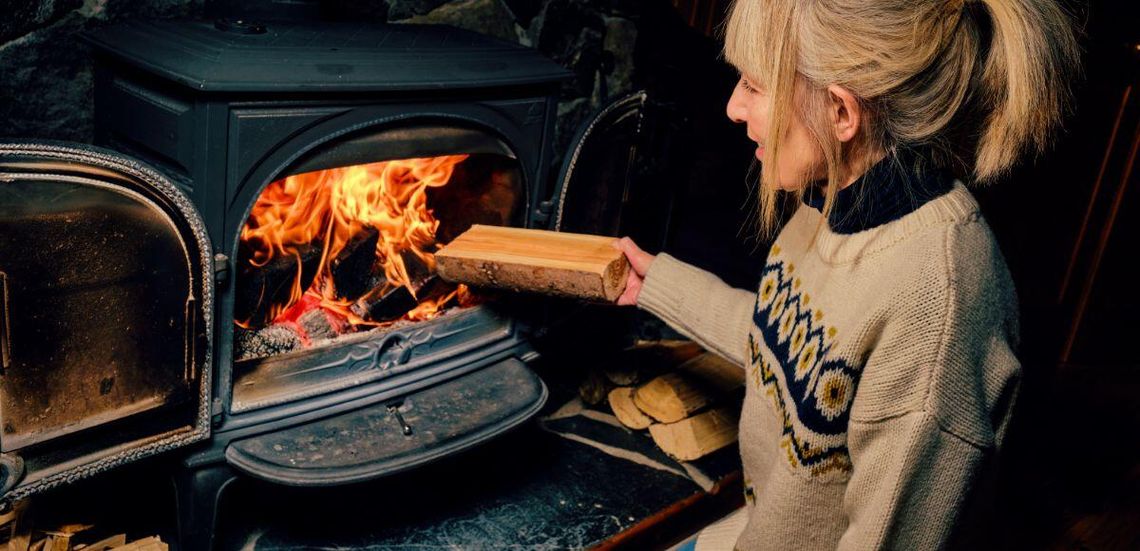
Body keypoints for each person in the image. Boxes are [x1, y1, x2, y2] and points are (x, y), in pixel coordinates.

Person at [615, 0, 1079, 548]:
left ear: (840, 112)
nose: (733, 107)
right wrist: (656, 284)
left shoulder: (938, 311)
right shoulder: (830, 200)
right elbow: (791, 352)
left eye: (755, 85)